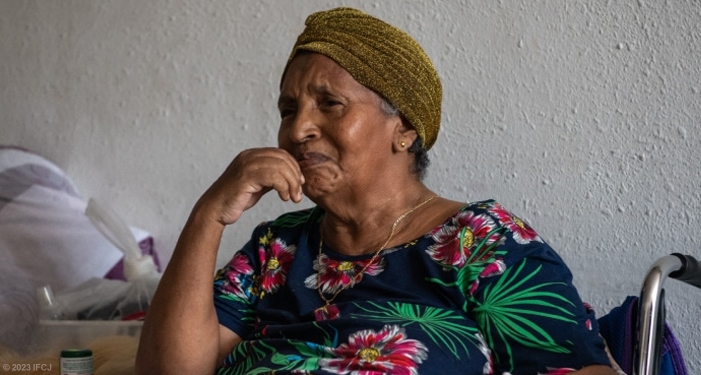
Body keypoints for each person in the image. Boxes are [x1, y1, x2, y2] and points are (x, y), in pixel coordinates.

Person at [136, 7, 618, 375]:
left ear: (404, 127)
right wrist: (208, 217)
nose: (298, 129)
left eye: (330, 104)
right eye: (288, 109)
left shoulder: (480, 243)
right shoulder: (276, 250)